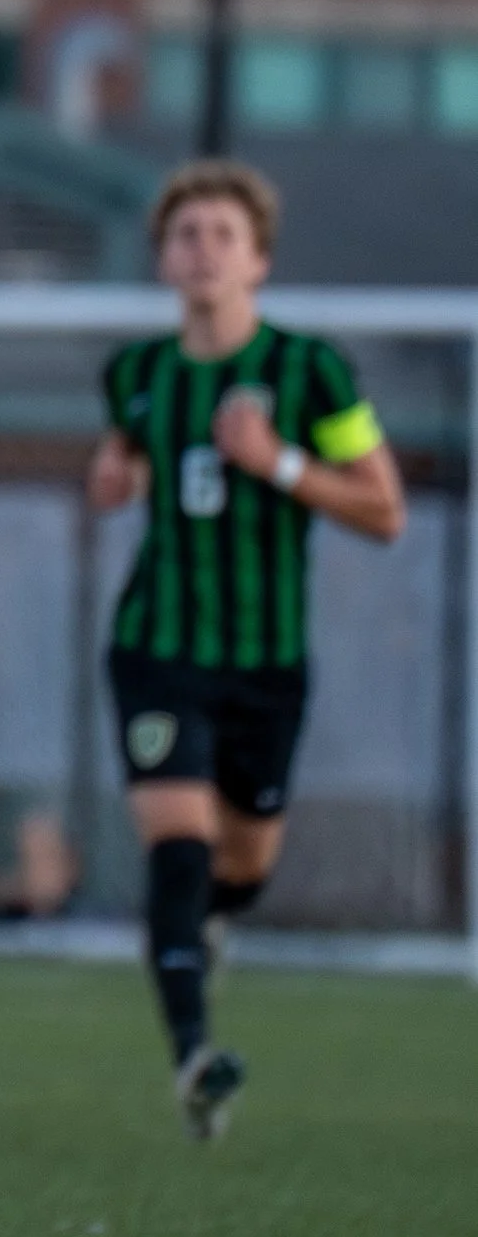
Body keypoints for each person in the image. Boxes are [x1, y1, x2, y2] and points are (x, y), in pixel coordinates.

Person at [88, 159, 403, 1137]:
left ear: (257, 258)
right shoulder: (135, 374)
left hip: (266, 660)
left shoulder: (314, 371)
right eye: (185, 234)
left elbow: (383, 509)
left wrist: (280, 462)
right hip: (157, 646)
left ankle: (213, 927)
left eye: (222, 234)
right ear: (162, 258)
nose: (202, 250)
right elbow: (124, 460)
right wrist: (114, 474)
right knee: (177, 850)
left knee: (242, 868)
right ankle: (193, 1057)